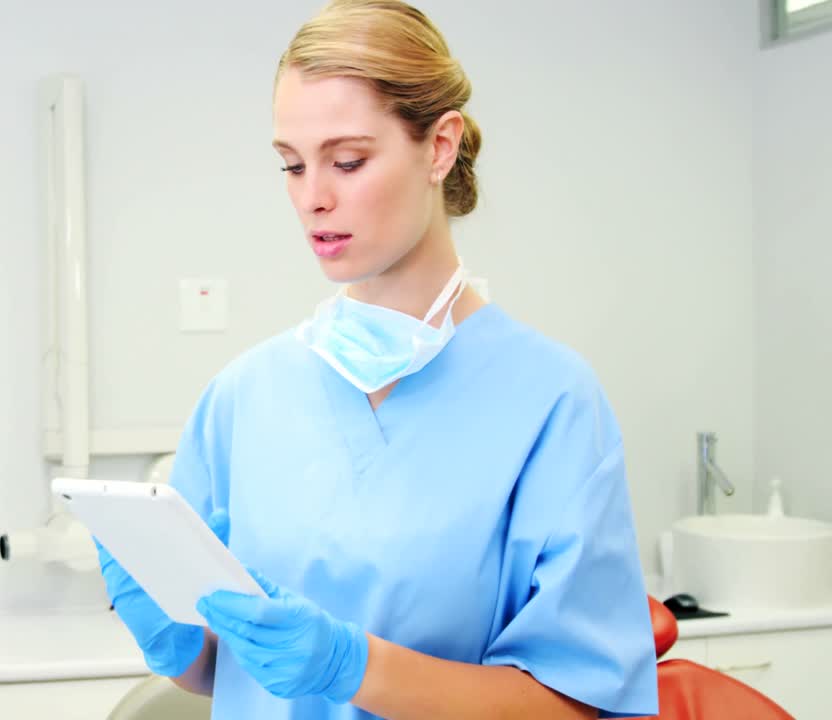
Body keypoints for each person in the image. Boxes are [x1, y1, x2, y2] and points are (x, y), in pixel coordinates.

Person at [95, 1, 659, 718]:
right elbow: (225, 671)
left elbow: (576, 704)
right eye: (292, 166)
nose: (313, 198)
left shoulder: (550, 402)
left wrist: (353, 667)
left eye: (349, 161)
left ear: (439, 147)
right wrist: (176, 640)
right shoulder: (243, 397)